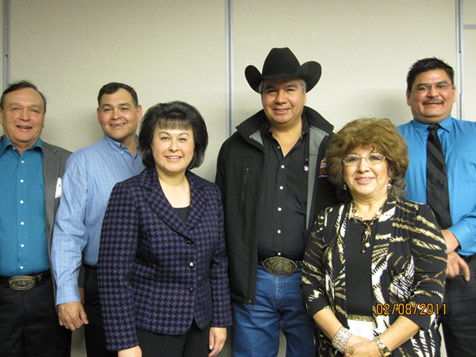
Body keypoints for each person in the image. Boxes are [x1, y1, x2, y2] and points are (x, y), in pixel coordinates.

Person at [216, 47, 337, 356]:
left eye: (290, 89)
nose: (280, 98)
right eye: (271, 90)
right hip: (253, 281)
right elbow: (219, 218)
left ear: (304, 94)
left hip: (313, 281)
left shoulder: (332, 147)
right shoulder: (235, 148)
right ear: (261, 96)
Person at [301, 118, 447, 357]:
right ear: (342, 169)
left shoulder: (418, 217)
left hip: (404, 348)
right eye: (352, 158)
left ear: (391, 167)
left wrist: (378, 347)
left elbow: (429, 296)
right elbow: (310, 288)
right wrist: (344, 341)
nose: (363, 167)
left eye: (375, 157)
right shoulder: (327, 219)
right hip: (339, 349)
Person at [97, 101, 232, 357]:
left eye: (183, 138)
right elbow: (113, 276)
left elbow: (218, 261)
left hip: (200, 323)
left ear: (195, 145)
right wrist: (124, 342)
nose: (174, 147)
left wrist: (220, 319)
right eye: (164, 137)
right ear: (150, 143)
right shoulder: (129, 194)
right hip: (149, 327)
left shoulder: (209, 192)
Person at [51, 82, 144, 356]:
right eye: (107, 109)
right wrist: (67, 293)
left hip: (156, 284)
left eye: (124, 108)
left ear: (139, 112)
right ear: (98, 115)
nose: (116, 116)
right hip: (103, 284)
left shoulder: (160, 155)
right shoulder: (83, 161)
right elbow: (68, 231)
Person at [398, 57, 476, 356]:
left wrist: (454, 239)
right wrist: (435, 246)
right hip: (408, 271)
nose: (433, 93)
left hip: (470, 271)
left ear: (453, 91)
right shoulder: (388, 141)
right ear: (409, 96)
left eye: (441, 85)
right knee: (409, 350)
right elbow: (379, 205)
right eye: (422, 88)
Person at [0, 81, 71, 356]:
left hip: (49, 295)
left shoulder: (66, 162)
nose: (25, 117)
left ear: (43, 117)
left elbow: (75, 231)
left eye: (34, 110)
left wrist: (71, 291)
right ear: (3, 114)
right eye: (16, 109)